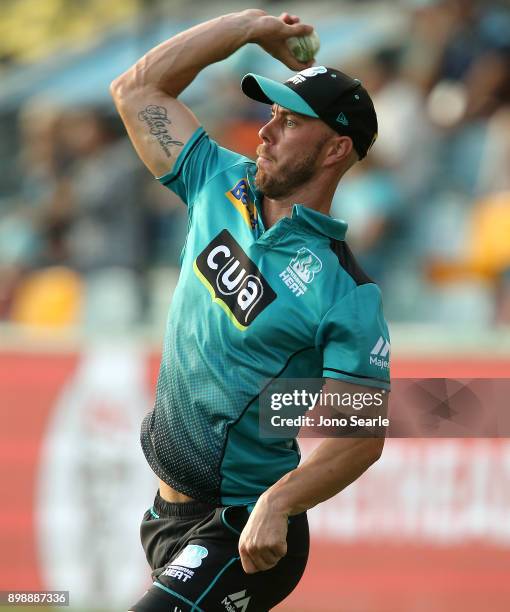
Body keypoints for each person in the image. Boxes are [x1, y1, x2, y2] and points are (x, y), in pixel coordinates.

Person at [111, 9, 391, 611]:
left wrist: (281, 502)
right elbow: (136, 90)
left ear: (335, 149)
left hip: (247, 529)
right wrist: (249, 28)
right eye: (271, 115)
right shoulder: (216, 181)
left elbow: (359, 439)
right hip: (166, 515)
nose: (264, 132)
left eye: (289, 123)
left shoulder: (346, 292)